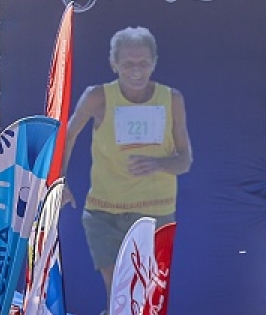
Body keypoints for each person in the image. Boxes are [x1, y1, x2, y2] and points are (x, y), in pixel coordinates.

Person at [62, 26, 193, 297]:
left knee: (144, 292)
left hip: (155, 211)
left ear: (154, 64)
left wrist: (159, 165)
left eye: (143, 63)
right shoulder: (98, 97)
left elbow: (185, 161)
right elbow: (68, 135)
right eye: (128, 64)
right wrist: (59, 181)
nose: (136, 70)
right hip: (104, 211)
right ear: (114, 64)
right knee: (119, 288)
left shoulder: (172, 99)